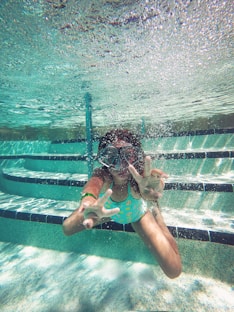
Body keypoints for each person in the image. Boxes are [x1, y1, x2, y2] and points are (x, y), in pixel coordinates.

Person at [63, 129, 182, 278]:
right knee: (67, 227)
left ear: (136, 157)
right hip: (106, 212)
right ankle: (103, 214)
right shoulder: (103, 174)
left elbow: (151, 184)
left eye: (128, 156)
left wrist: (155, 189)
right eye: (112, 157)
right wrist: (88, 198)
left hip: (138, 215)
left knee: (174, 270)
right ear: (104, 159)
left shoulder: (139, 178)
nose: (120, 165)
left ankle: (159, 216)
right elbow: (94, 183)